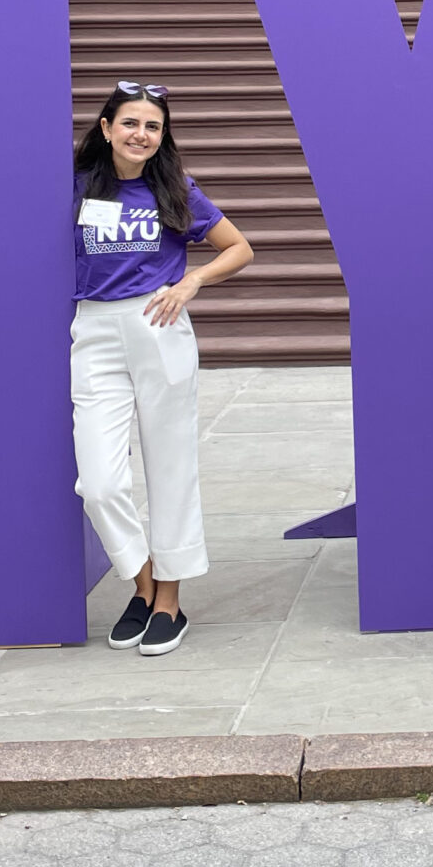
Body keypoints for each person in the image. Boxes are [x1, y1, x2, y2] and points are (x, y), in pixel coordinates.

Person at [72, 81, 252, 657]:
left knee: (171, 468)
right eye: (130, 123)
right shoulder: (76, 186)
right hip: (93, 331)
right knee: (98, 483)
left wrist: (191, 281)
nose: (141, 134)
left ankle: (168, 601)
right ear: (106, 128)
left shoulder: (174, 188)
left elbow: (238, 247)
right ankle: (142, 582)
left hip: (158, 328)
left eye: (152, 126)